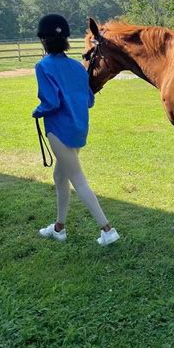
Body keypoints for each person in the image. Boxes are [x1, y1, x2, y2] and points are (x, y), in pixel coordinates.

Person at [32, 13, 120, 246]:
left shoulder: (43, 66)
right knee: (60, 176)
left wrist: (37, 111)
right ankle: (59, 227)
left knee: (77, 179)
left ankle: (107, 229)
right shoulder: (77, 67)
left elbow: (50, 102)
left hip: (58, 130)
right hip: (79, 129)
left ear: (44, 40)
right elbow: (89, 99)